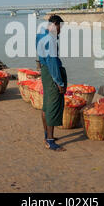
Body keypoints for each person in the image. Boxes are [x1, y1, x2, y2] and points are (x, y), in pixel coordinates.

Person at [36, 14, 67, 151]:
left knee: (46, 105)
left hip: (44, 71)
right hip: (51, 73)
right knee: (53, 105)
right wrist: (59, 82)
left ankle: (46, 134)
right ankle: (49, 140)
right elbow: (53, 62)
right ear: (56, 25)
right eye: (60, 27)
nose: (60, 30)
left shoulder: (41, 35)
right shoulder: (51, 40)